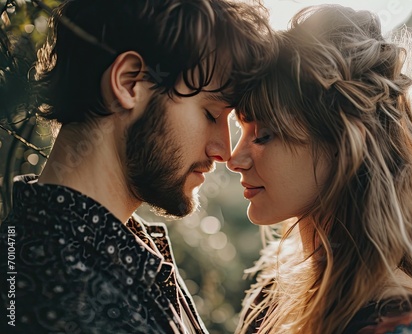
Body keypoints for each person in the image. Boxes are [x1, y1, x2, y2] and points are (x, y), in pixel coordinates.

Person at [0, 0, 274, 333]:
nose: (224, 152)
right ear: (128, 82)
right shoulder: (64, 301)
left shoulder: (114, 251)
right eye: (211, 114)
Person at [228, 4, 412, 334]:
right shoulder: (272, 295)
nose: (234, 159)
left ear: (341, 144)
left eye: (265, 135)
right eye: (241, 131)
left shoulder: (409, 328)